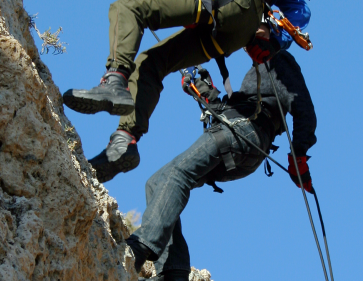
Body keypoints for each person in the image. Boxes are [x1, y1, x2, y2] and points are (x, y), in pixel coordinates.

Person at [63, 0, 311, 182]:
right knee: (151, 62)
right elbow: (301, 13)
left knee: (128, 9)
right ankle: (124, 142)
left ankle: (114, 80)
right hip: (235, 32)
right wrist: (270, 37)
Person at [125, 52, 317, 280]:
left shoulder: (277, 58)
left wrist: (299, 154)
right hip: (244, 147)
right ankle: (173, 272)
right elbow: (232, 107)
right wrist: (203, 90)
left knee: (175, 175)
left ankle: (140, 247)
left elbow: (303, 106)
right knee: (156, 183)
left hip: (241, 132)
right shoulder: (259, 72)